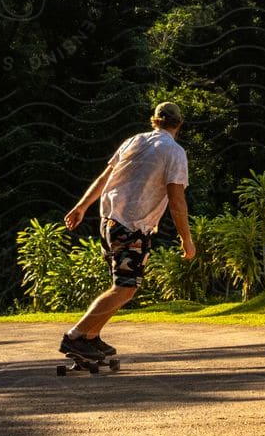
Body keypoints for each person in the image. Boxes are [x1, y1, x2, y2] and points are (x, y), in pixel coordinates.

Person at [60, 101, 196, 363]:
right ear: (179, 124)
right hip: (132, 225)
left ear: (154, 120)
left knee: (123, 285)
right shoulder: (174, 152)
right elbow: (177, 200)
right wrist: (186, 239)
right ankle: (74, 336)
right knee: (125, 287)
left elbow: (104, 178)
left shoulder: (133, 141)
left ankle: (91, 337)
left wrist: (81, 206)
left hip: (109, 220)